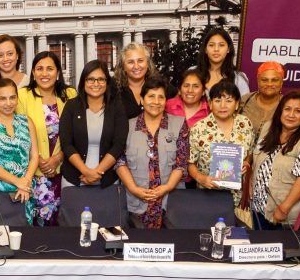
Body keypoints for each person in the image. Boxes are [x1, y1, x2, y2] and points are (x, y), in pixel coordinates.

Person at [117, 76, 190, 229]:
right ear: (142, 100)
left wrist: (168, 186)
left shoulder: (179, 124)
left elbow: (182, 162)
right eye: (151, 96)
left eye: (160, 97)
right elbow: (120, 161)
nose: (156, 102)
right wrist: (134, 188)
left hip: (170, 202)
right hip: (136, 202)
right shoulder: (127, 126)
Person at [17, 50, 77, 225]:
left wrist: (57, 158)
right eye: (39, 69)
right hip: (33, 173)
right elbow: (20, 133)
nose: (44, 73)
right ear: (33, 73)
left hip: (64, 171)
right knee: (34, 224)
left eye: (50, 69)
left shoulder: (70, 95)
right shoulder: (22, 95)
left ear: (58, 72)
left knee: (62, 223)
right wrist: (40, 161)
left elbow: (77, 133)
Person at [250, 90, 300, 229]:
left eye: (298, 111)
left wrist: (284, 208)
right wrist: (251, 182)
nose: (291, 114)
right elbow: (256, 157)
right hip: (258, 208)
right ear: (280, 111)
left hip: (282, 214)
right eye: (287, 109)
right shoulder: (268, 128)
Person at [59, 60, 127, 189]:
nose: (96, 84)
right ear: (83, 82)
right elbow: (66, 143)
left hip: (107, 180)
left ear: (107, 82)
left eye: (101, 79)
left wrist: (97, 173)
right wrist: (86, 171)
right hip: (74, 179)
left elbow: (119, 144)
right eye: (90, 79)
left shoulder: (117, 107)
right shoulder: (71, 106)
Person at [0, 78, 39, 224]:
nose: (8, 103)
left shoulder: (27, 122)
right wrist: (18, 182)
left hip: (26, 190)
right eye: (3, 98)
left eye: (12, 97)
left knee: (25, 233)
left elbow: (34, 156)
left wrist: (25, 182)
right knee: (0, 234)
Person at [188, 80, 255, 209]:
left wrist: (246, 162)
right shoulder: (199, 128)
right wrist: (201, 178)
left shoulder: (245, 124)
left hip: (237, 197)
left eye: (229, 101)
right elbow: (190, 163)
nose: (223, 105)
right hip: (207, 195)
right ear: (210, 104)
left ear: (237, 104)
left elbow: (250, 152)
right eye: (218, 100)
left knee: (235, 222)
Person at [114, 42, 163, 119]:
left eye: (140, 61)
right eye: (131, 62)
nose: (136, 66)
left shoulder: (159, 85)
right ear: (123, 67)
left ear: (147, 63)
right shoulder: (114, 90)